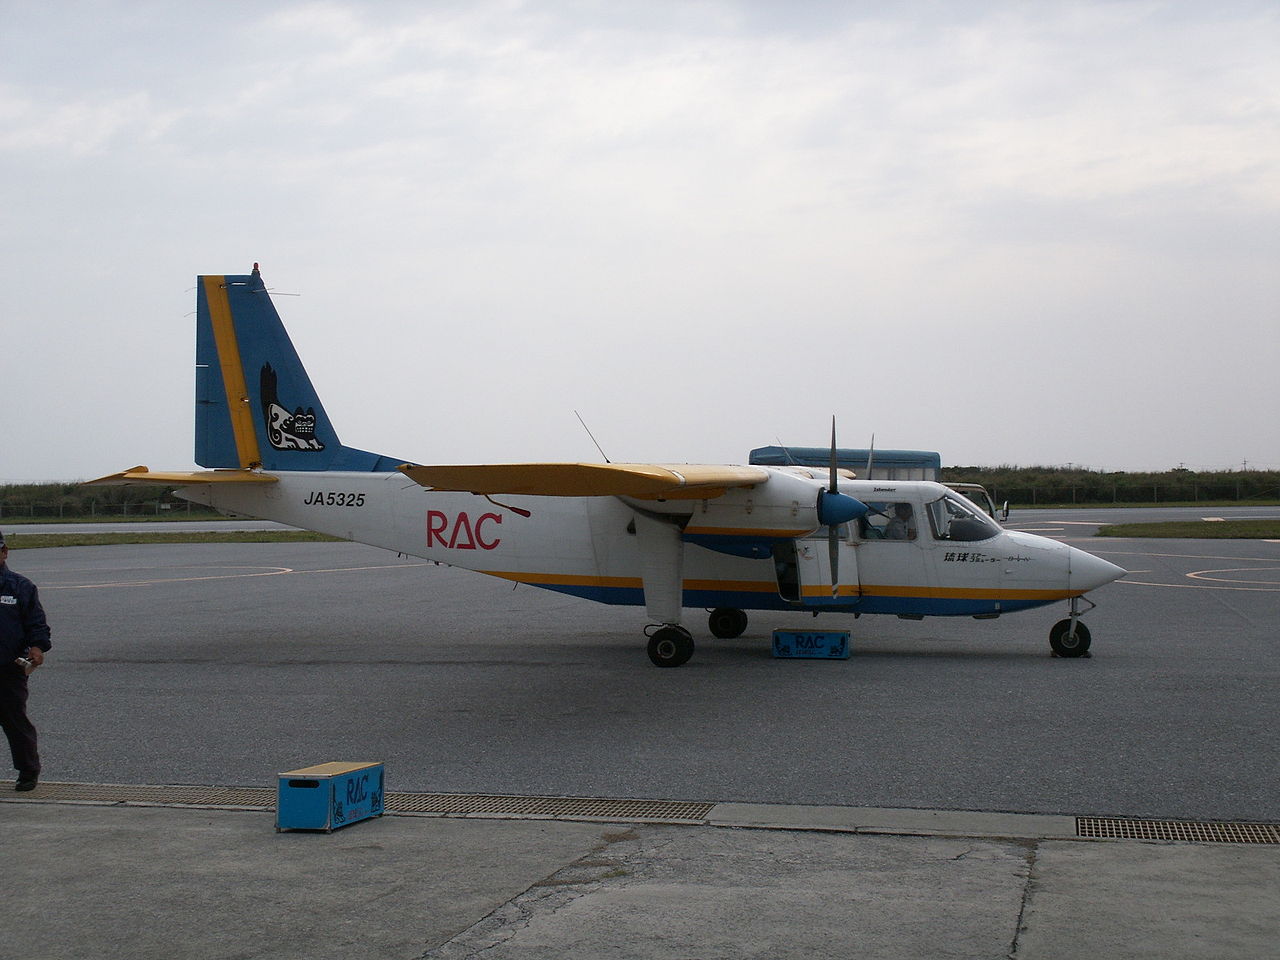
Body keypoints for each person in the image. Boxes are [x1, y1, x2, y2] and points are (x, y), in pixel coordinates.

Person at [0, 531, 51, 791]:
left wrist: (38, 647)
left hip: (8, 669)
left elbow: (37, 625)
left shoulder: (20, 587)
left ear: (4, 551)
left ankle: (28, 771)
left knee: (15, 722)